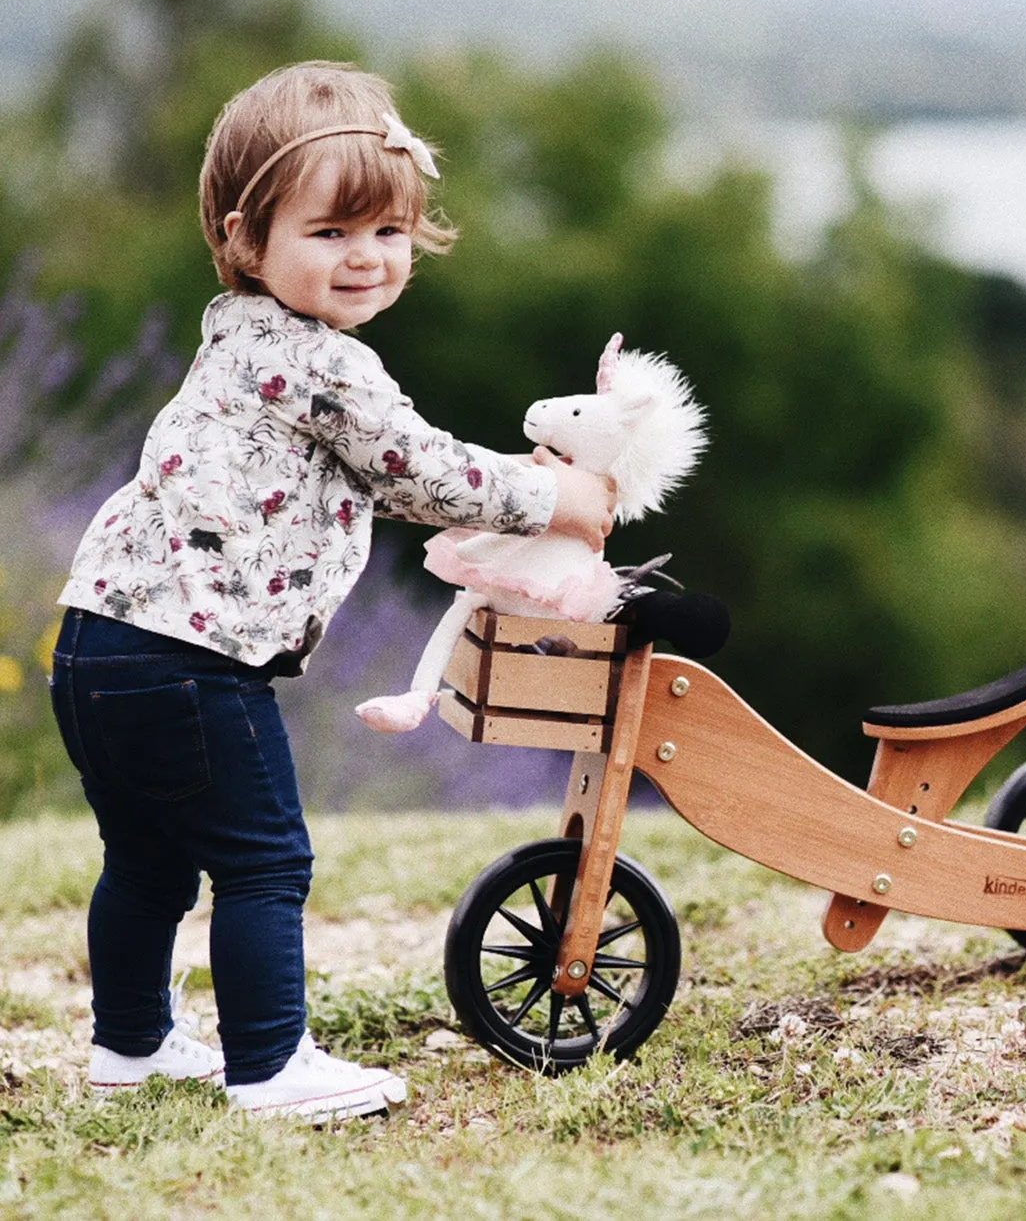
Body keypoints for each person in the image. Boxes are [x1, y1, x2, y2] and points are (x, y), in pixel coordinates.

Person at [49, 61, 615, 1120]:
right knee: (267, 860)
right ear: (245, 237)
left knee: (148, 860)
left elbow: (361, 476)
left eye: (388, 231)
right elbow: (414, 467)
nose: (366, 257)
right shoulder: (327, 364)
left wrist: (513, 491)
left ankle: (129, 1046)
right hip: (190, 659)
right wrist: (557, 501)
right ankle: (269, 1067)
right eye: (330, 232)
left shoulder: (238, 336)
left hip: (96, 645)